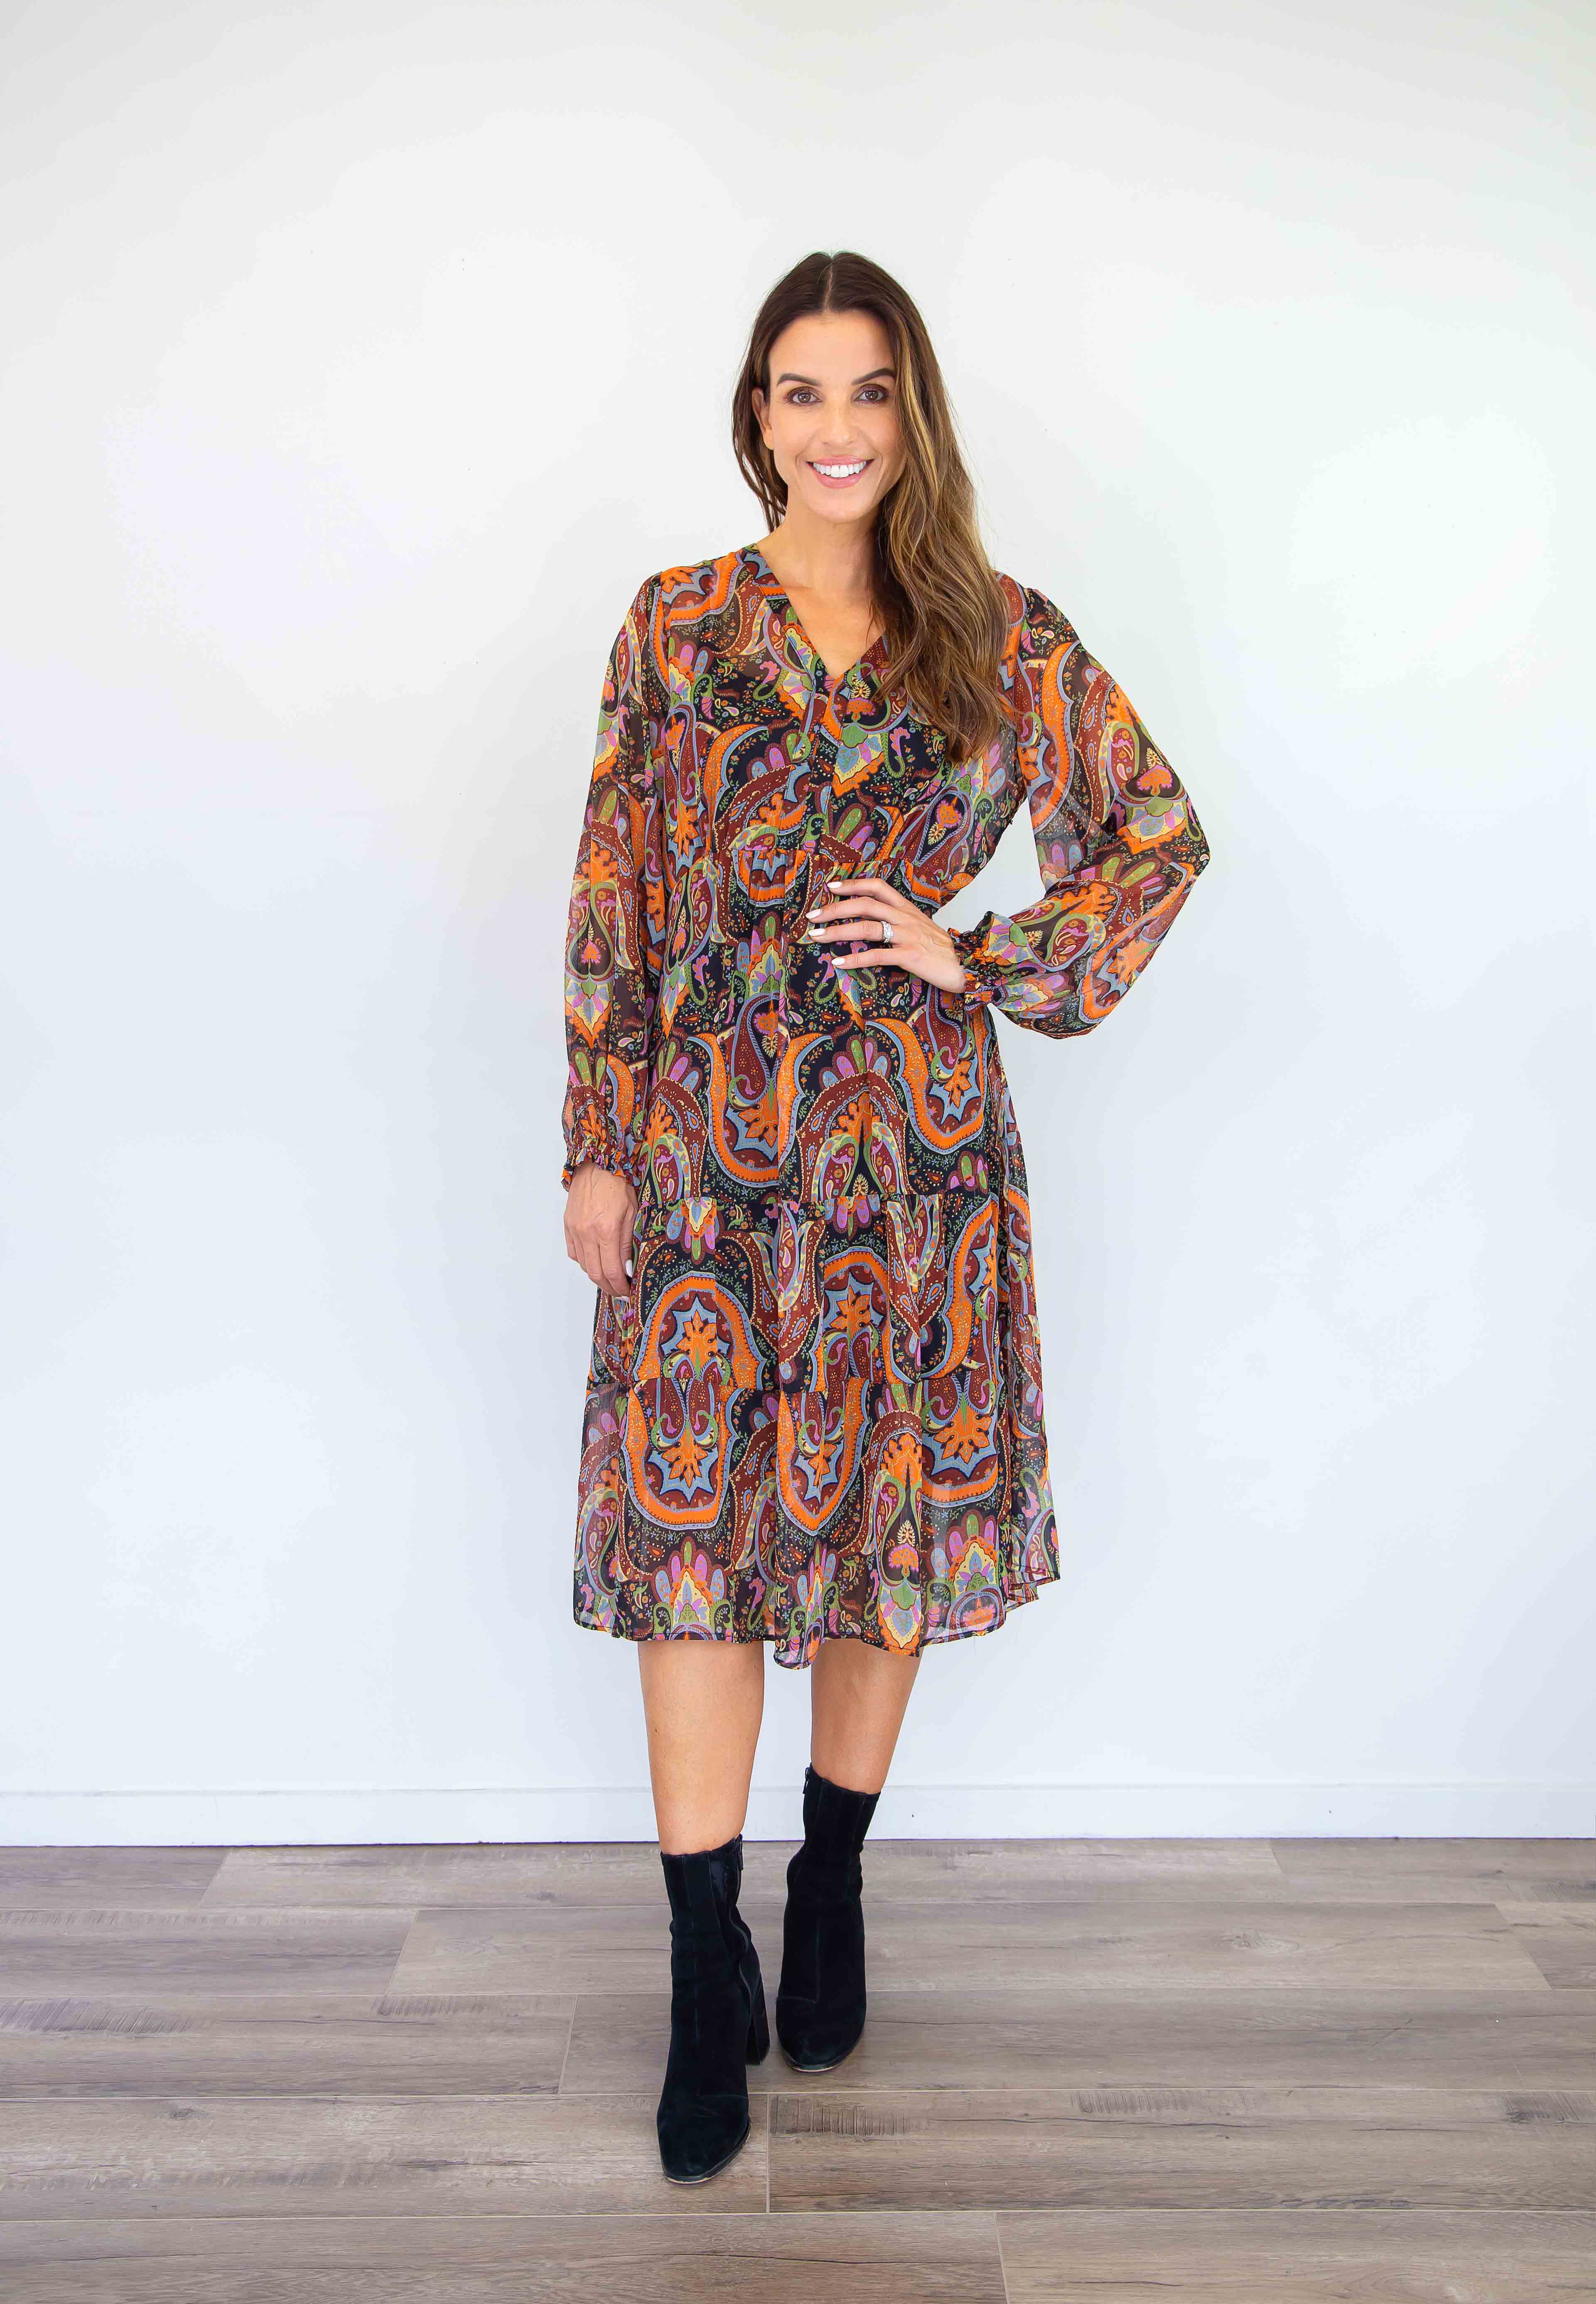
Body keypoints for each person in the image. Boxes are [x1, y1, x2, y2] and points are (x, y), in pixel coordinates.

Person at [560, 249, 1210, 2182]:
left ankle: (829, 1878)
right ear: (755, 416)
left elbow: (1156, 838)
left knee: (880, 1528)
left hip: (914, 1163)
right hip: (703, 1147)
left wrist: (974, 951)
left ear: (911, 415)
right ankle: (703, 1962)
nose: (833, 428)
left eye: (867, 391)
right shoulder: (678, 626)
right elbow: (615, 896)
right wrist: (596, 1141)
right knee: (691, 1536)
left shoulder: (998, 635)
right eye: (799, 390)